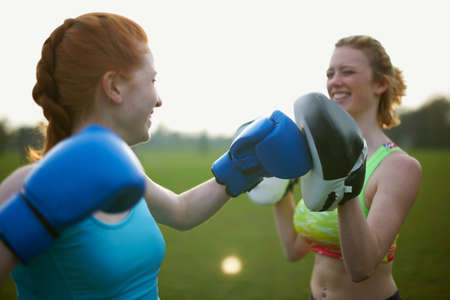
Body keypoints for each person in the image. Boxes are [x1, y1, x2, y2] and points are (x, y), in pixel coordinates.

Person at [0, 12, 310, 300]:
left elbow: (181, 211)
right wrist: (29, 217)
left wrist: (243, 165)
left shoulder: (122, 171)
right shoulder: (24, 187)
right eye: (152, 81)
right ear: (114, 87)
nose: (159, 99)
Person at [271, 35, 422, 300]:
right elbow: (294, 250)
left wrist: (344, 181)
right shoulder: (318, 155)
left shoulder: (399, 167)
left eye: (347, 72)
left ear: (381, 84)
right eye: (330, 73)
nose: (334, 81)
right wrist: (278, 191)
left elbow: (362, 267)